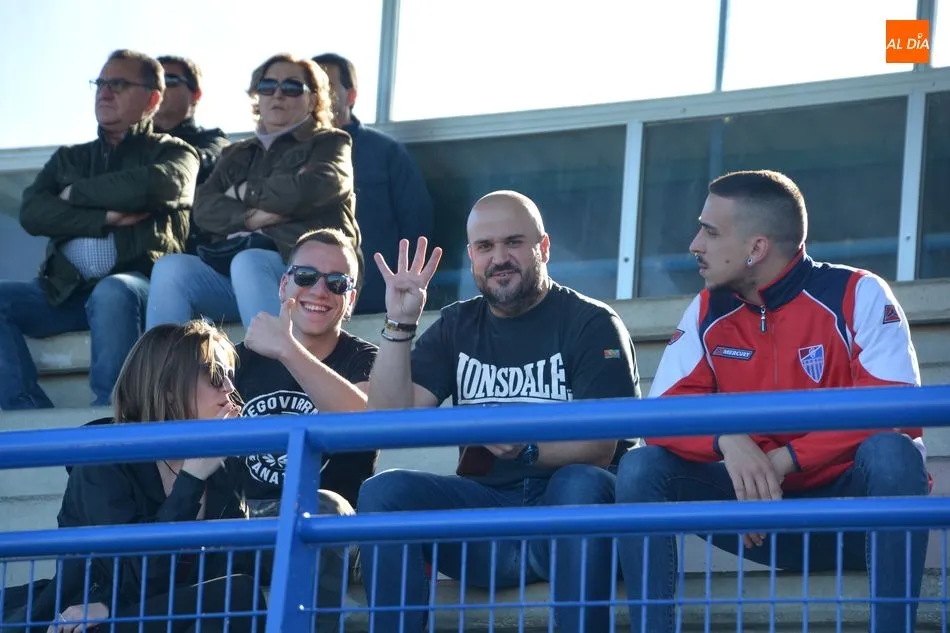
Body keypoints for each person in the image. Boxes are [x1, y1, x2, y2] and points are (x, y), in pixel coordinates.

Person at [614, 170, 930, 633]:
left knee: (894, 451)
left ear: (756, 248)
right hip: (757, 518)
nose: (695, 244)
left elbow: (895, 407)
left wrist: (784, 461)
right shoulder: (708, 308)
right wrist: (726, 440)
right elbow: (661, 415)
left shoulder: (857, 292)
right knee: (642, 466)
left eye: (710, 232)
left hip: (853, 519)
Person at [357, 190, 641, 633]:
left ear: (543, 247)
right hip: (486, 524)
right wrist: (401, 323)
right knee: (384, 492)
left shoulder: (592, 323)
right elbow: (387, 421)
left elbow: (600, 447)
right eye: (485, 246)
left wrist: (527, 448)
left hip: (572, 523)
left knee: (580, 482)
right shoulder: (457, 324)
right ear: (471, 255)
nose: (499, 258)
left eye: (513, 242)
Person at [1, 321, 266, 633]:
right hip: (85, 622)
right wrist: (191, 480)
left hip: (154, 616)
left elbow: (234, 565)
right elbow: (131, 574)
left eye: (231, 376)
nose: (230, 389)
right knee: (235, 594)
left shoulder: (223, 464)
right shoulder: (104, 457)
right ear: (169, 389)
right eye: (214, 376)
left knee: (238, 593)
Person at [0, 49, 198, 409]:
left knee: (111, 291)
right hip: (64, 292)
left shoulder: (176, 153)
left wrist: (74, 193)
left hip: (137, 289)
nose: (104, 92)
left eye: (118, 84)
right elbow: (32, 213)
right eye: (100, 83)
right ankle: (25, 409)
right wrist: (104, 217)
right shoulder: (69, 158)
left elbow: (157, 186)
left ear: (152, 99)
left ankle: (112, 412)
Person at [145, 53, 358, 331]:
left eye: (292, 87)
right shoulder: (237, 153)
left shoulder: (330, 142)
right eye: (267, 86)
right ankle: (163, 361)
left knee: (249, 261)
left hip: (313, 277)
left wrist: (240, 191)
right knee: (170, 268)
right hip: (238, 272)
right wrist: (253, 217)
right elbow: (204, 209)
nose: (278, 94)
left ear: (313, 99)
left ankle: (275, 357)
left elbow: (319, 186)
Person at [234, 228, 378, 631]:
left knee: (322, 508)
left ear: (350, 299)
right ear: (284, 285)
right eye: (306, 276)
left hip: (331, 526)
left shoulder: (366, 360)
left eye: (337, 282)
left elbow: (364, 423)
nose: (319, 290)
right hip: (247, 522)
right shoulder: (234, 360)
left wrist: (287, 349)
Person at [313, 53, 434, 315]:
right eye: (311, 86)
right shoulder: (289, 155)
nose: (317, 94)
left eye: (327, 86)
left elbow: (416, 223)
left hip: (375, 300)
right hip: (309, 296)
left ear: (351, 96)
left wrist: (402, 291)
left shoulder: (386, 152)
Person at [153, 55, 230, 254]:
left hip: (190, 254)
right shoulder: (124, 145)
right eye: (152, 80)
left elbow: (198, 163)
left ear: (196, 94)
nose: (159, 87)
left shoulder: (213, 140)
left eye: (169, 80)